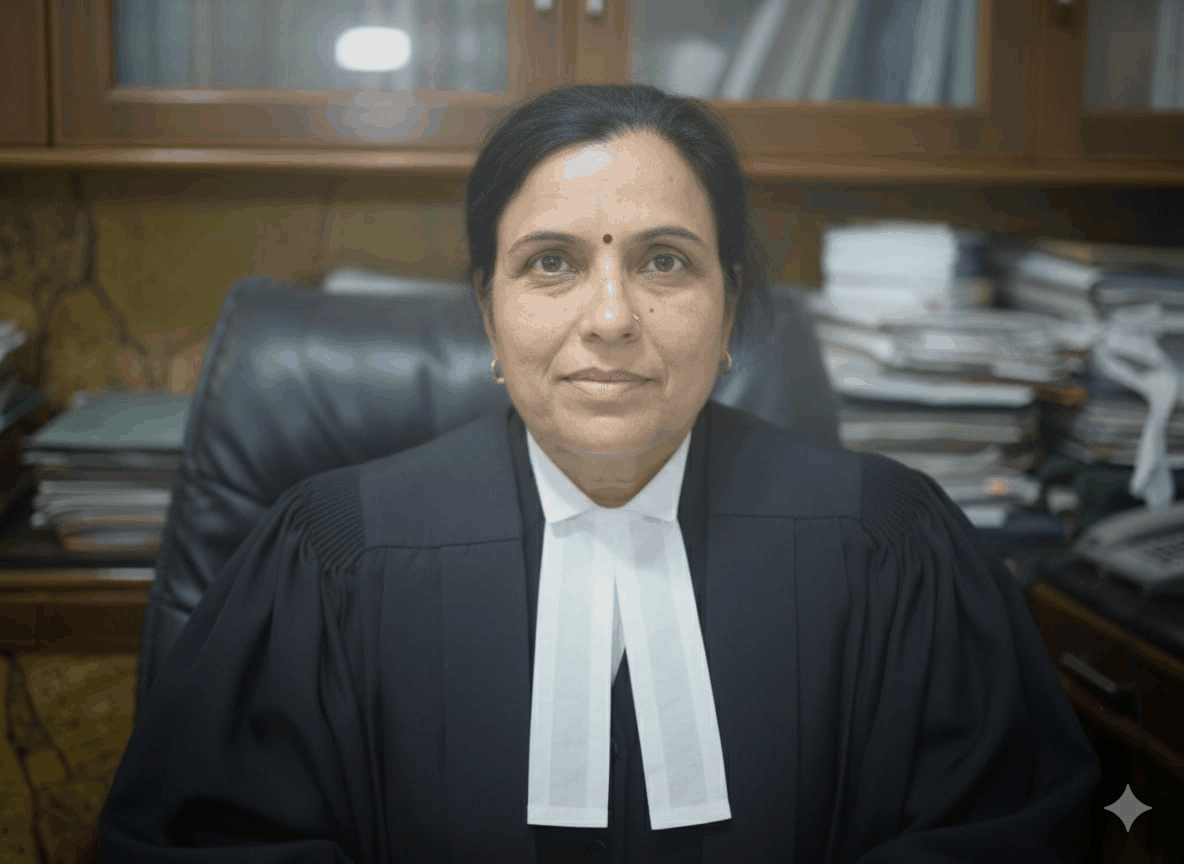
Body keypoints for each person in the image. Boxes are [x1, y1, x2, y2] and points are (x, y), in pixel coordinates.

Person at [97, 83, 1099, 863]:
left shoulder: (893, 549)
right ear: (488, 316)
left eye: (663, 261)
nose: (611, 317)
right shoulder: (329, 556)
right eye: (551, 263)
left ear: (730, 307)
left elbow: (1004, 835)